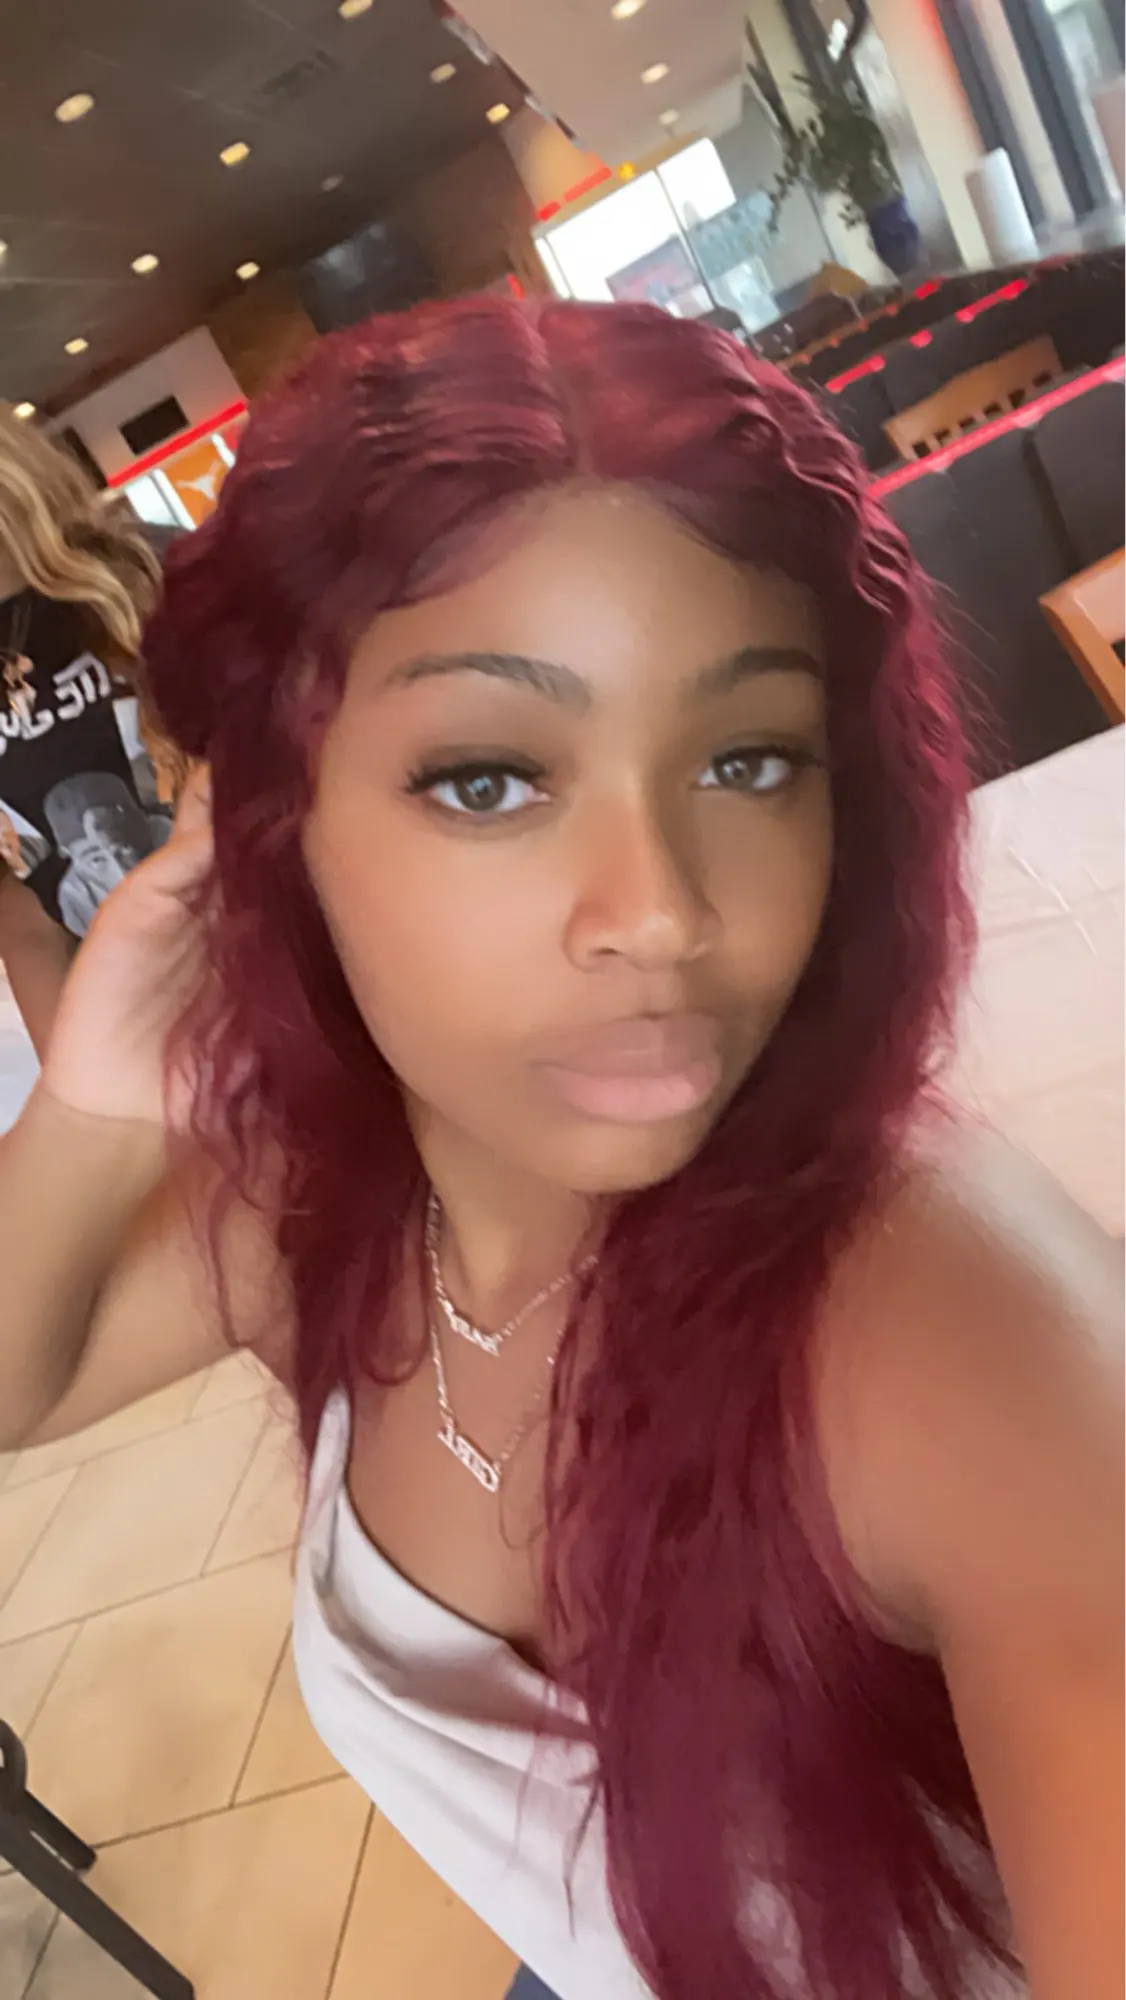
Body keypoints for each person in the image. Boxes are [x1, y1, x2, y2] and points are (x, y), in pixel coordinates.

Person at [0, 299, 1120, 2000]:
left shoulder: (938, 1325)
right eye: (490, 780)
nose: (658, 912)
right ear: (277, 827)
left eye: (746, 760)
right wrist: (102, 1090)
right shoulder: (330, 1206)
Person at [0, 405, 180, 1051]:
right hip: (133, 1016)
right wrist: (77, 1078)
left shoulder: (141, 573)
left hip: (281, 940)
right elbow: (22, 910)